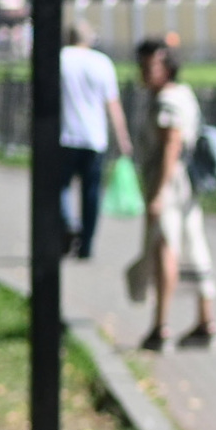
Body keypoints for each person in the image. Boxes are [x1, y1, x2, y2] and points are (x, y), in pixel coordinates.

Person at [128, 38, 216, 350]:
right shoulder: (183, 95)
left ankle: (160, 325)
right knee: (194, 247)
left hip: (170, 182)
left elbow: (171, 147)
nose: (143, 72)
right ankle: (205, 322)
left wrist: (157, 194)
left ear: (166, 67)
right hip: (186, 185)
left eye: (149, 66)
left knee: (165, 247)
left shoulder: (167, 101)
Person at [59, 22, 132, 260]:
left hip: (64, 135)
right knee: (91, 193)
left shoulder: (60, 58)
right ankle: (87, 244)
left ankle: (68, 223)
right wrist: (123, 139)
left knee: (60, 187)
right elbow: (113, 104)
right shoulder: (102, 62)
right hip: (94, 138)